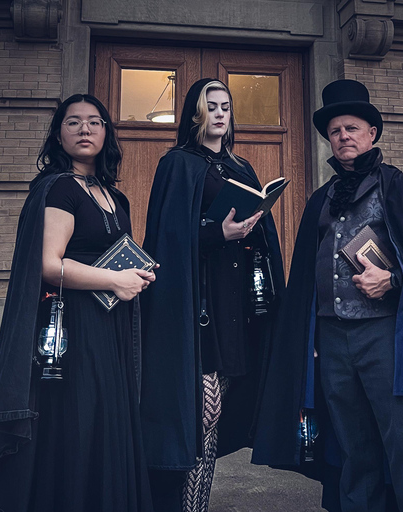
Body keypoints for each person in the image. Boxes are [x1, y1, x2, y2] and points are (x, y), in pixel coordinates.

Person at [251, 79, 403, 512]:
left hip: (385, 337)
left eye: (353, 128)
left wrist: (393, 280)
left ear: (372, 134)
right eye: (336, 130)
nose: (344, 136)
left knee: (400, 438)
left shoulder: (401, 189)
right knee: (350, 441)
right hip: (331, 338)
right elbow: (307, 269)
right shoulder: (320, 199)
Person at [0, 94, 155, 512]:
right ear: (58, 134)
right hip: (74, 325)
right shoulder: (59, 190)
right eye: (73, 122)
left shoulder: (115, 196)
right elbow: (49, 266)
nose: (84, 129)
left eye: (94, 122)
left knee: (108, 418)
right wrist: (115, 279)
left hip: (113, 324)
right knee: (81, 420)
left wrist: (137, 275)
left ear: (107, 132)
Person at [140, 78, 285, 512]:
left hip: (235, 306)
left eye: (226, 106)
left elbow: (260, 235)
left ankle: (195, 504)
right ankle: (178, 503)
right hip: (195, 304)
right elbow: (164, 237)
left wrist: (254, 229)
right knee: (201, 412)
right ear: (195, 113)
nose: (220, 113)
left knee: (215, 415)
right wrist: (215, 232)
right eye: (212, 106)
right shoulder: (178, 164)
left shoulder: (242, 168)